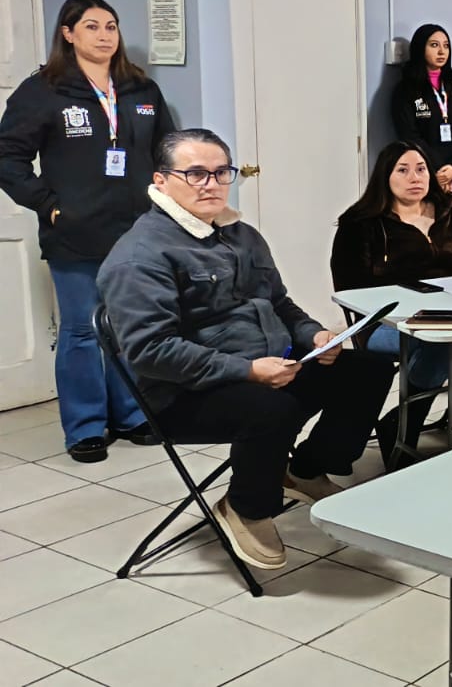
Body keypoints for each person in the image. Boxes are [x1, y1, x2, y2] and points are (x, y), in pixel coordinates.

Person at [97, 129, 392, 570]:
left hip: (273, 366)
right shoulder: (141, 255)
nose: (211, 183)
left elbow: (278, 302)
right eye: (194, 173)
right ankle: (247, 506)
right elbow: (151, 351)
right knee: (270, 411)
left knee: (367, 369)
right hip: (183, 394)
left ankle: (307, 468)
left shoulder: (242, 234)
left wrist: (312, 336)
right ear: (161, 181)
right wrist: (247, 370)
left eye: (221, 172)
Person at [0, 0, 175, 462]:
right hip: (75, 232)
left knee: (129, 326)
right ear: (68, 33)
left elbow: (167, 152)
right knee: (81, 329)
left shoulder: (140, 90)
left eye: (112, 26)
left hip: (139, 232)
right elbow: (8, 156)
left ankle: (133, 415)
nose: (104, 36)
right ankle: (84, 426)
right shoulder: (43, 91)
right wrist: (47, 204)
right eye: (92, 26)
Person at [330, 142, 452, 458]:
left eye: (420, 169)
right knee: (441, 341)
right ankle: (405, 426)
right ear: (385, 177)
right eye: (402, 171)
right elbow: (351, 292)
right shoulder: (360, 223)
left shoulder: (450, 212)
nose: (414, 177)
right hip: (384, 322)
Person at [392, 24, 452, 201]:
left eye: (446, 46)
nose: (441, 51)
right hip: (423, 173)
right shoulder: (406, 91)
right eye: (434, 45)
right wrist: (438, 170)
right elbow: (409, 136)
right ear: (419, 48)